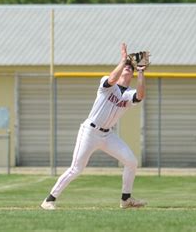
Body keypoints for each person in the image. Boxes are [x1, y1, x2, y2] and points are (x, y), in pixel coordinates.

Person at [41, 43, 147, 210]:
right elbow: (112, 78)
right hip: (89, 131)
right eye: (126, 67)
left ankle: (125, 199)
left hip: (108, 136)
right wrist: (123, 61)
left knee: (131, 162)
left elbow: (140, 95)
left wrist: (141, 71)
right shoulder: (107, 84)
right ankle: (49, 200)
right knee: (76, 169)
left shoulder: (128, 95)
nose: (128, 68)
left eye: (130, 68)